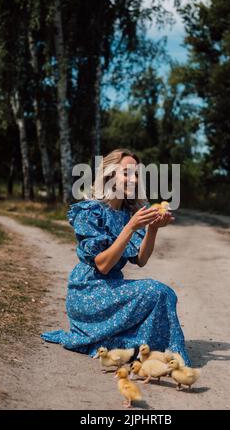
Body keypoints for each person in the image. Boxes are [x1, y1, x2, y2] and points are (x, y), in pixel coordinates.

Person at [41, 148, 191, 366]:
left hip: (112, 289)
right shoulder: (90, 211)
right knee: (159, 291)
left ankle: (150, 354)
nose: (134, 179)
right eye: (127, 173)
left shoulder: (129, 213)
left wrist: (153, 229)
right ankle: (168, 356)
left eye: (137, 174)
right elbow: (102, 265)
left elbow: (140, 260)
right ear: (110, 176)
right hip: (89, 292)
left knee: (162, 294)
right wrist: (130, 227)